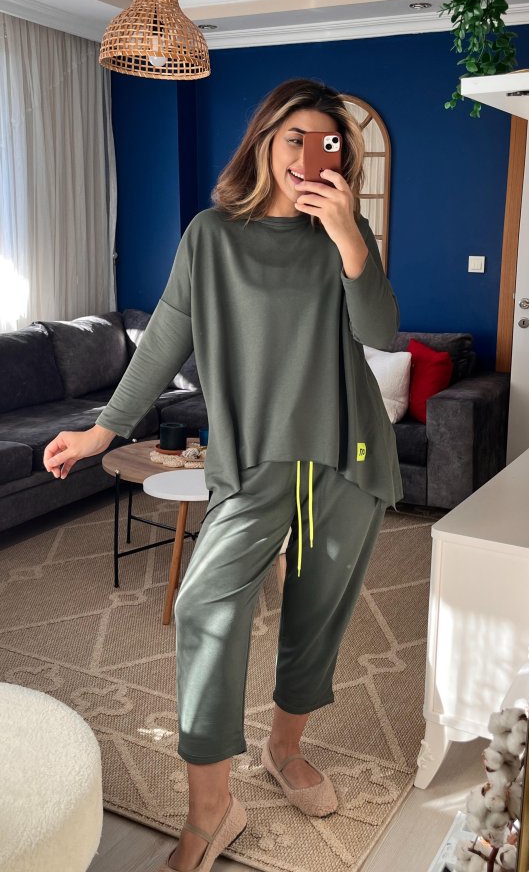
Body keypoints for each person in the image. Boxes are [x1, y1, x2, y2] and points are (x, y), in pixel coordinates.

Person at [43, 77, 403, 872]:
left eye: (327, 144)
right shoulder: (211, 236)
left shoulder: (348, 234)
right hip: (255, 461)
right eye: (293, 139)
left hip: (346, 458)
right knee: (204, 604)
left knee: (316, 616)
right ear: (265, 143)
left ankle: (284, 749)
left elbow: (380, 331)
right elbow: (165, 338)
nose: (309, 157)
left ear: (342, 156)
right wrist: (102, 430)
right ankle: (212, 809)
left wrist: (349, 236)